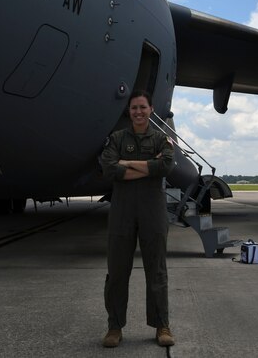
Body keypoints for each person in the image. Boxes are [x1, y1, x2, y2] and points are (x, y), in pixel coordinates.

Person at [99, 90, 175, 348]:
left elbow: (165, 166)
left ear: (151, 109)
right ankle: (114, 327)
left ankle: (162, 325)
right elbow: (109, 169)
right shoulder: (117, 138)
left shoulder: (161, 139)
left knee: (157, 270)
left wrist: (127, 164)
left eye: (143, 107)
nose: (139, 112)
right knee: (118, 271)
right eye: (134, 108)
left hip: (152, 210)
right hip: (123, 210)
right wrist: (147, 168)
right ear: (129, 111)